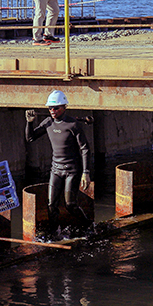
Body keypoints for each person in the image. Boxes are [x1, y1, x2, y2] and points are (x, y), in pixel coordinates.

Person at [25, 90, 92, 225]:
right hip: (56, 169)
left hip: (72, 170)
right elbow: (30, 138)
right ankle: (56, 234)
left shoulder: (73, 124)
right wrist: (29, 123)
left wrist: (85, 172)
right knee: (51, 205)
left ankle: (89, 227)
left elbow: (85, 148)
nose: (52, 110)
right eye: (50, 108)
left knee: (70, 205)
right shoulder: (48, 122)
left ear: (64, 107)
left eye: (56, 108)